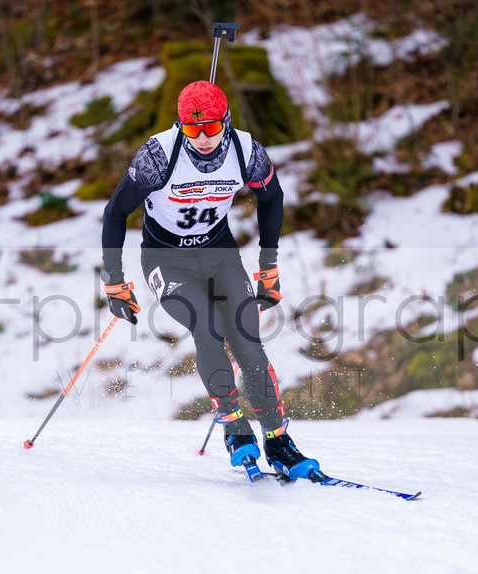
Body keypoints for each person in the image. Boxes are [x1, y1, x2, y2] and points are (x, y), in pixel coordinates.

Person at [100, 80, 321, 480]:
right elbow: (116, 212)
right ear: (180, 125)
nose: (202, 138)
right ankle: (235, 428)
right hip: (166, 260)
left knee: (247, 342)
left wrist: (268, 265)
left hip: (220, 255)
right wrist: (114, 279)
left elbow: (272, 197)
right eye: (192, 129)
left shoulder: (246, 151)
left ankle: (278, 440)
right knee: (208, 327)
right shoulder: (157, 155)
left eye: (211, 128)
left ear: (227, 122)